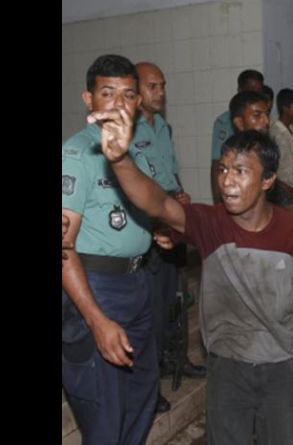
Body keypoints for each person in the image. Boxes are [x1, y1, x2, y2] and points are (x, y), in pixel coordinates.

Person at [94, 118, 293, 444]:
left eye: (240, 171)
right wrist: (119, 158)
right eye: (223, 170)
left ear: (268, 180)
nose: (227, 181)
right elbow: (157, 202)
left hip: (282, 367)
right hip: (228, 367)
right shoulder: (210, 222)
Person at [62, 54, 158, 444]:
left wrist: (156, 231)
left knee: (141, 395)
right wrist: (98, 321)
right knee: (104, 414)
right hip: (95, 288)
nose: (119, 104)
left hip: (138, 282)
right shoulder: (77, 154)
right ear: (89, 100)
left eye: (128, 95)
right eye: (108, 93)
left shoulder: (133, 151)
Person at [134, 61, 205, 414]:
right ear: (136, 90)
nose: (160, 92)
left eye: (162, 85)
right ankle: (148, 387)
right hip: (145, 230)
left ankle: (175, 360)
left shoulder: (162, 126)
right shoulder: (126, 131)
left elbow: (169, 173)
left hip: (170, 226)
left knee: (173, 303)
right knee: (150, 311)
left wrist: (180, 196)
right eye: (153, 86)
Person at [210, 69, 264, 200]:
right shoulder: (225, 121)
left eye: (258, 90)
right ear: (240, 90)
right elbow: (217, 164)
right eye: (250, 89)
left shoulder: (263, 121)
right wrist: (218, 201)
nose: (254, 93)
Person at [270, 88, 293, 206]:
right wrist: (284, 187)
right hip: (281, 192)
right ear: (285, 109)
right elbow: (268, 168)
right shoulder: (273, 133)